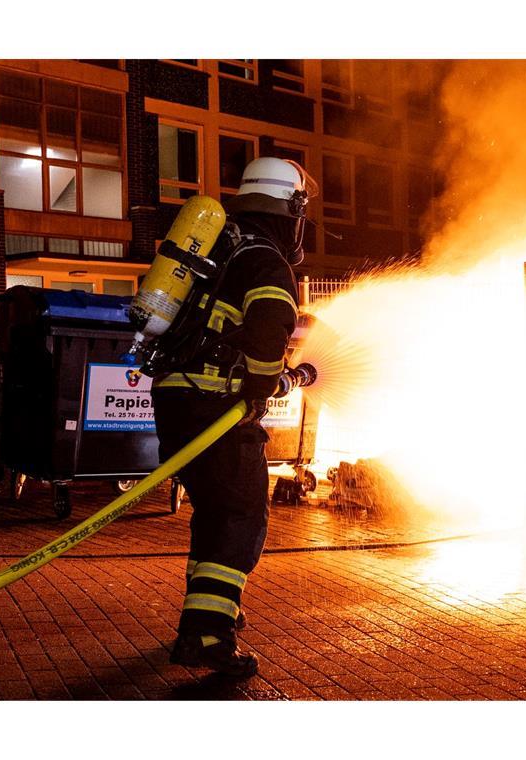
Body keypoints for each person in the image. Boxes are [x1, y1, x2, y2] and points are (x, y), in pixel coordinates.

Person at [151, 157, 315, 677]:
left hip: (175, 400)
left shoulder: (220, 248)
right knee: (242, 516)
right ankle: (207, 635)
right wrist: (265, 385)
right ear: (290, 210)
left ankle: (211, 611)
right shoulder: (265, 259)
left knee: (215, 512)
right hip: (214, 405)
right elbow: (269, 330)